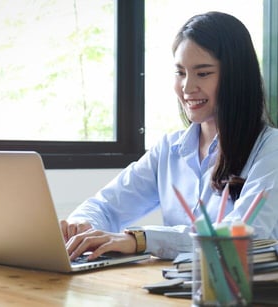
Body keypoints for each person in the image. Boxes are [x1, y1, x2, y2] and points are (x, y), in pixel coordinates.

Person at [60, 11, 278, 261]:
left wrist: (139, 240)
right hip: (174, 290)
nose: (187, 87)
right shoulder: (169, 149)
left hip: (242, 296)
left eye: (203, 73)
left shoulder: (270, 149)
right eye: (180, 72)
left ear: (237, 77)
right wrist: (80, 226)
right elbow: (105, 205)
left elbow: (242, 238)